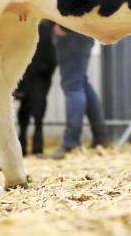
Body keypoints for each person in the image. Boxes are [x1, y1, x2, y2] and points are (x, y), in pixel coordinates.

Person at [42, 25, 108, 159]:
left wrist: (64, 26)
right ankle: (100, 137)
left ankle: (71, 143)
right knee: (81, 82)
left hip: (71, 31)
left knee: (72, 84)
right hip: (85, 31)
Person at [16, 20, 57, 155]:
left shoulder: (28, 28)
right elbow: (52, 60)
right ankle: (36, 147)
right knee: (35, 112)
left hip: (30, 76)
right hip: (37, 77)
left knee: (26, 111)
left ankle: (25, 146)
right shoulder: (43, 28)